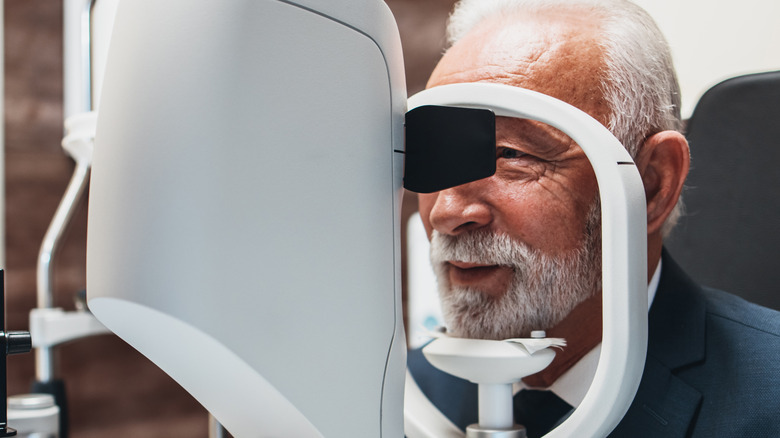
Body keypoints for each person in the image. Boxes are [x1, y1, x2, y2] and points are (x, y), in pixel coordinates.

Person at [407, 0, 780, 436]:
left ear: (652, 184)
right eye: (432, 159)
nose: (447, 212)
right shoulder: (402, 396)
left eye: (512, 155)